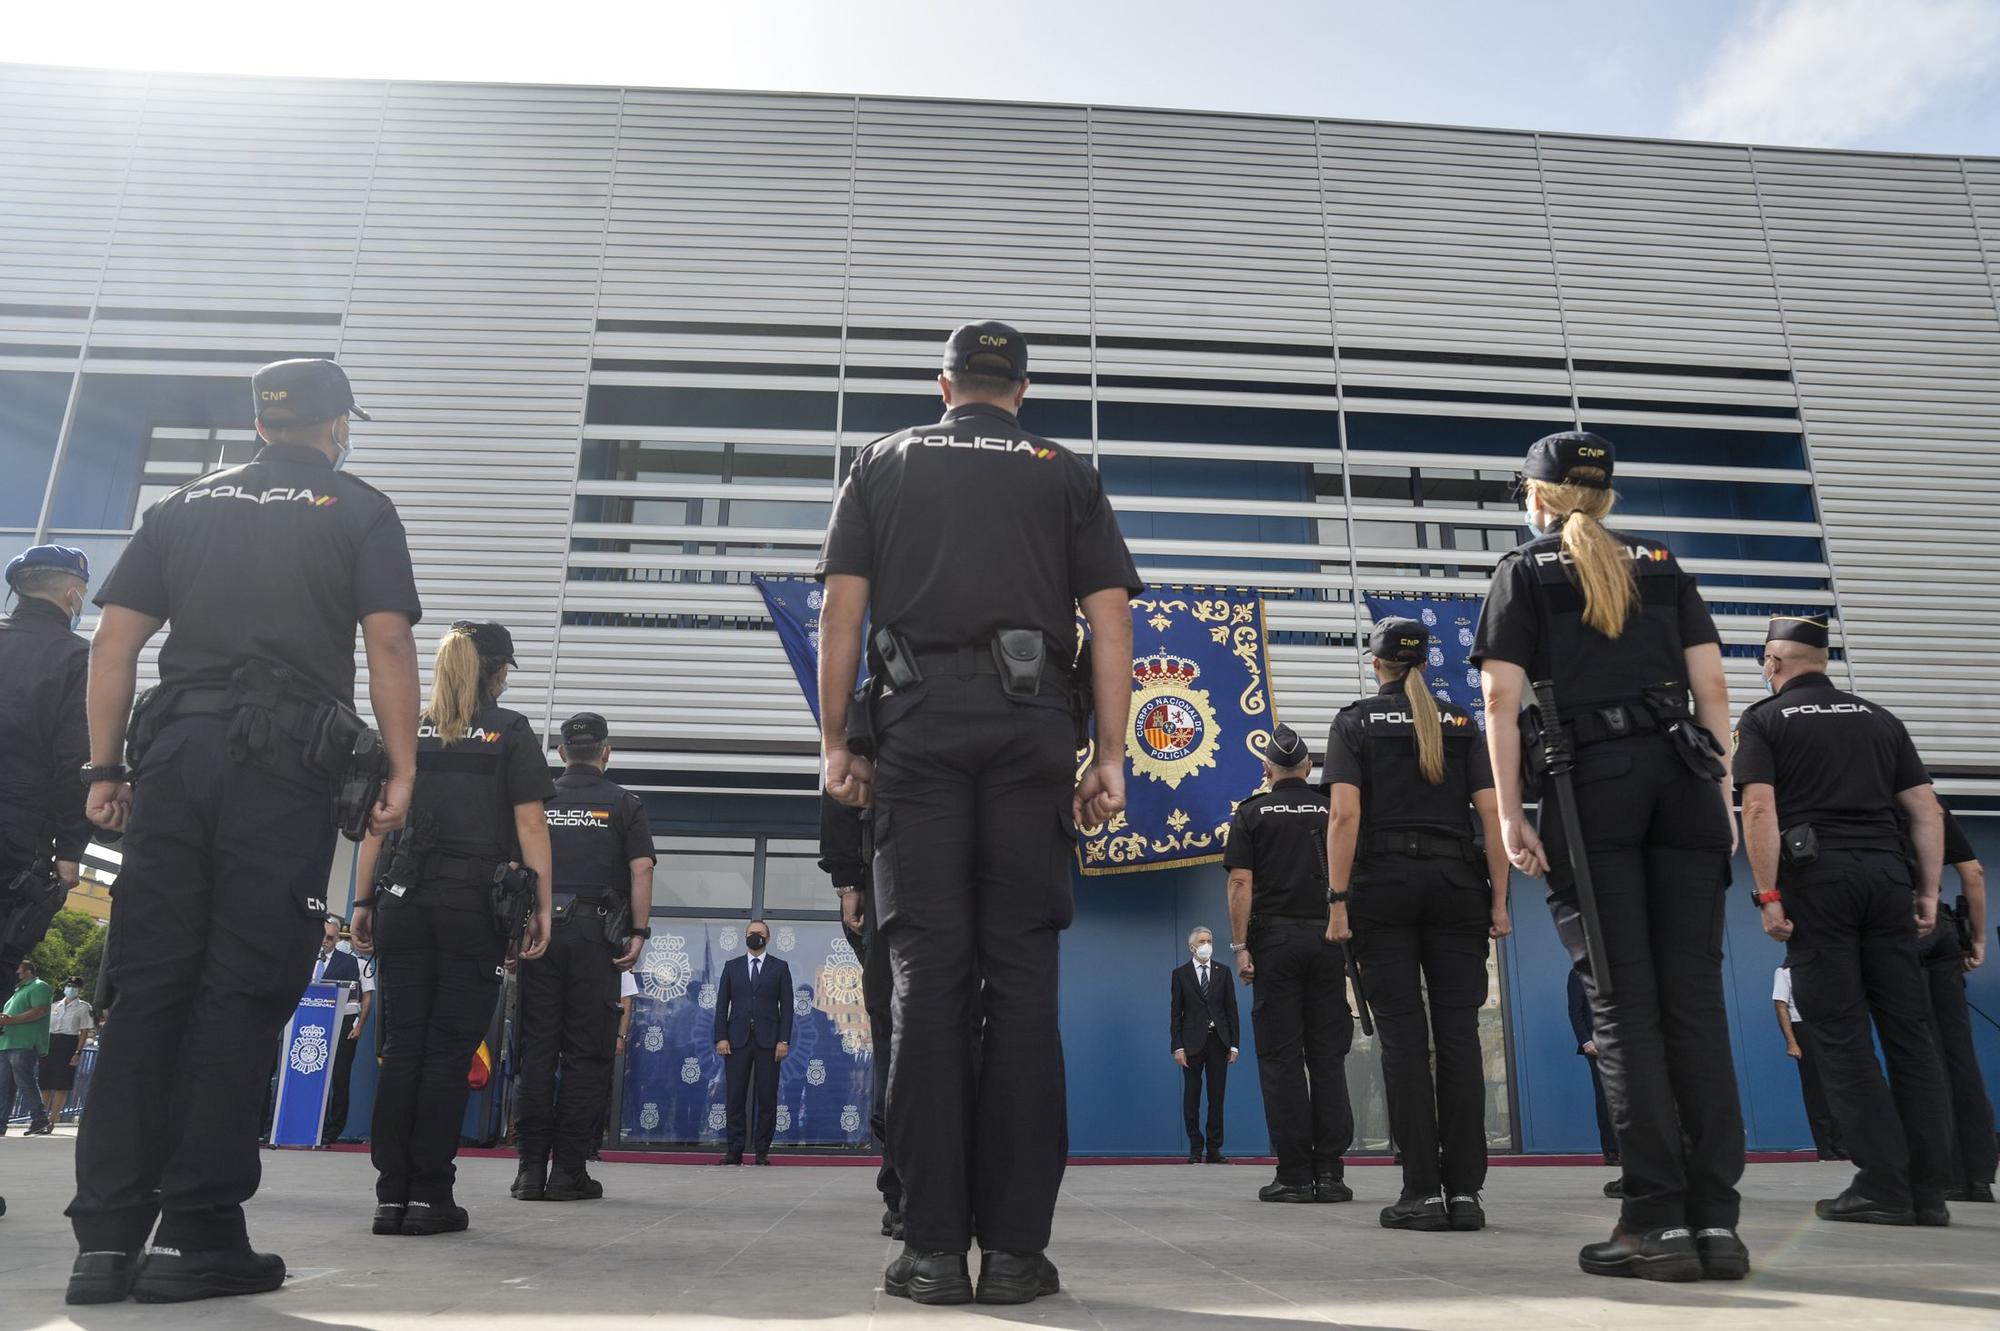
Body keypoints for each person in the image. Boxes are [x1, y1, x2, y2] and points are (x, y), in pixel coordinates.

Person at [66, 358, 421, 1305]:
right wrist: (401, 764)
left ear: (261, 424)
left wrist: (106, 770)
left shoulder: (184, 504)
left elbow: (114, 642)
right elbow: (387, 640)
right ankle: (196, 1231)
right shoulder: (357, 507)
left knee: (147, 982)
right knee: (242, 981)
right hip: (280, 766)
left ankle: (102, 1239)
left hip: (176, 754)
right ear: (337, 425)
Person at [816, 321, 1138, 1307]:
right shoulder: (1061, 469)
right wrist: (1111, 752)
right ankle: (1011, 1252)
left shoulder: (882, 460)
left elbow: (839, 608)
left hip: (916, 730)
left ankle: (926, 1250)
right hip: (1031, 728)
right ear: (1021, 389)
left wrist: (836, 740)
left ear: (943, 382)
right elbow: (1111, 614)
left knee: (924, 980)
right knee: (1022, 980)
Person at [1472, 430, 1745, 1282]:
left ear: (1541, 497)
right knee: (1695, 1004)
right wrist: (1725, 793)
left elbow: (1498, 694)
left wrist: (1514, 812)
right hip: (1684, 777)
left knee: (1622, 1007)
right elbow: (1715, 689)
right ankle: (1717, 1225)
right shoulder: (1662, 564)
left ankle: (1656, 1223)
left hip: (1593, 786)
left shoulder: (1525, 569)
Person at [1738, 613, 1954, 1228]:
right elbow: (1926, 810)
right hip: (1889, 879)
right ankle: (1929, 1189)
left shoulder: (1764, 719)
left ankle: (1883, 1185)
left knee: (1838, 1034)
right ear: (1822, 661)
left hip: (1818, 883)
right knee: (1910, 1032)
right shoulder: (1881, 719)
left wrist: (1768, 894)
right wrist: (1929, 892)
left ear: (1774, 664)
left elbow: (1758, 807)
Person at [354, 620, 553, 1239]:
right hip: (472, 907)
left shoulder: (406, 726)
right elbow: (532, 826)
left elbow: (378, 822)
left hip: (403, 902)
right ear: (497, 672)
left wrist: (362, 900)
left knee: (403, 1047)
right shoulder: (510, 731)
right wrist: (541, 906)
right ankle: (430, 1196)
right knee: (446, 1050)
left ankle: (392, 1197)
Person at [1327, 617, 1512, 1232]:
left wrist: (1336, 900)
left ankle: (1421, 1193)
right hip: (1459, 886)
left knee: (1404, 1040)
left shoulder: (1353, 722)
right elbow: (1492, 815)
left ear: (1375, 663)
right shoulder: (1460, 723)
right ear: (1425, 663)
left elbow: (1345, 818)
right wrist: (1501, 902)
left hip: (1383, 889)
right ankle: (1465, 1193)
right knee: (1457, 1035)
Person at [512, 711, 653, 1204]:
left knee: (537, 1050)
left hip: (538, 934)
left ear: (561, 753)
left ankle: (529, 1170)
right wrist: (638, 932)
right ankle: (568, 1170)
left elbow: (512, 866)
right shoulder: (624, 803)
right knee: (586, 1054)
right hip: (596, 937)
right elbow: (641, 870)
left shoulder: (537, 801)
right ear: (606, 752)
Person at [1227, 724, 1355, 1207]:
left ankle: (1295, 1175)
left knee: (1281, 1060)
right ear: (1308, 767)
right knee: (1327, 1058)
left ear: (1266, 770)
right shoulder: (1331, 809)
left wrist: (1241, 946)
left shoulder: (1253, 813)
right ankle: (1332, 1173)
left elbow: (1241, 883)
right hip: (1329, 938)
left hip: (1275, 943)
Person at [0, 544, 93, 975]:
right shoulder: (75, 658)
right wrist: (70, 848)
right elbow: (74, 760)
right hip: (14, 837)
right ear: (72, 592)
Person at [822, 793, 902, 1236]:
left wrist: (849, 883)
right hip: (946, 885)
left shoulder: (872, 724)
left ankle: (905, 1195)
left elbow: (840, 783)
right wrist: (850, 881)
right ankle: (922, 1193)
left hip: (892, 881)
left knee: (897, 1042)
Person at [1925, 806, 1994, 1204]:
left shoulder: (1865, 801)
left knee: (1923, 1054)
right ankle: (1979, 1175)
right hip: (1946, 935)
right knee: (1960, 1055)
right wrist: (1978, 938)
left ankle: (1945, 1172)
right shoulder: (1933, 806)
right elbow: (1974, 873)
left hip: (1902, 929)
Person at [712, 920, 792, 1166]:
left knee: (767, 1098)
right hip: (736, 1041)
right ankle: (734, 1150)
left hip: (770, 1043)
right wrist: (721, 1036)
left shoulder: (779, 967)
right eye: (750, 934)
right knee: (735, 1097)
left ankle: (761, 1151)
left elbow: (787, 1008)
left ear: (768, 938)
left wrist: (784, 1040)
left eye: (759, 934)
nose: (754, 937)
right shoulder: (732, 966)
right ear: (744, 937)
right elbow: (721, 1005)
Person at [1169, 926, 1238, 1165]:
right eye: (1202, 941)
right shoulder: (1180, 974)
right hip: (1191, 1044)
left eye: (1209, 940)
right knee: (1192, 1096)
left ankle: (1214, 1148)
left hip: (1218, 1042)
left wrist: (1234, 1045)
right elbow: (1176, 1014)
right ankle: (1195, 1147)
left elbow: (1231, 1011)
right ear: (1192, 946)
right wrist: (1177, 1047)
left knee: (1216, 1097)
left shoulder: (1224, 972)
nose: (1206, 944)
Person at [1772, 964, 1843, 1160]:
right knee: (1816, 1089)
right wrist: (1792, 1041)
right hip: (1803, 1028)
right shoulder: (1784, 972)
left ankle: (1841, 1143)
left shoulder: (1822, 969)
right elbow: (1780, 1005)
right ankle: (1825, 1145)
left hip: (1826, 1028)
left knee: (1836, 1087)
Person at [312, 917, 372, 1146]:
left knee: (339, 1078)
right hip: (311, 1023)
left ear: (338, 939)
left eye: (330, 938)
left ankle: (332, 1130)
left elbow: (367, 994)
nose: (325, 942)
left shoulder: (354, 963)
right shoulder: (307, 960)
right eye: (322, 937)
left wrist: (359, 1025)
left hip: (344, 1024)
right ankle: (306, 1123)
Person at [1568, 966, 1622, 1195]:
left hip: (1625, 1043)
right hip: (1597, 1048)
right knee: (1606, 1098)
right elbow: (1576, 1011)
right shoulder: (1578, 973)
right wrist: (1586, 1041)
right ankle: (1612, 1152)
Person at [0, 958, 55, 1134]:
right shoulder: (18, 992)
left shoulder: (39, 987)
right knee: (4, 1086)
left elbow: (40, 1011)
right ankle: (1, 1123)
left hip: (24, 1043)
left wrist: (10, 1020)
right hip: (8, 1043)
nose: (15, 975)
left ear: (28, 972)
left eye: (18, 972)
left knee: (24, 1081)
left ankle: (39, 1118)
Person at [42, 974, 95, 1127]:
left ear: (79, 989)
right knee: (45, 1082)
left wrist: (78, 1052)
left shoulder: (84, 1007)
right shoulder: (55, 1005)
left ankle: (52, 1119)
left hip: (68, 1043)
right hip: (51, 1042)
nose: (71, 989)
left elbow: (84, 1031)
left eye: (74, 987)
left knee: (61, 1084)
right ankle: (40, 1117)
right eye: (69, 986)